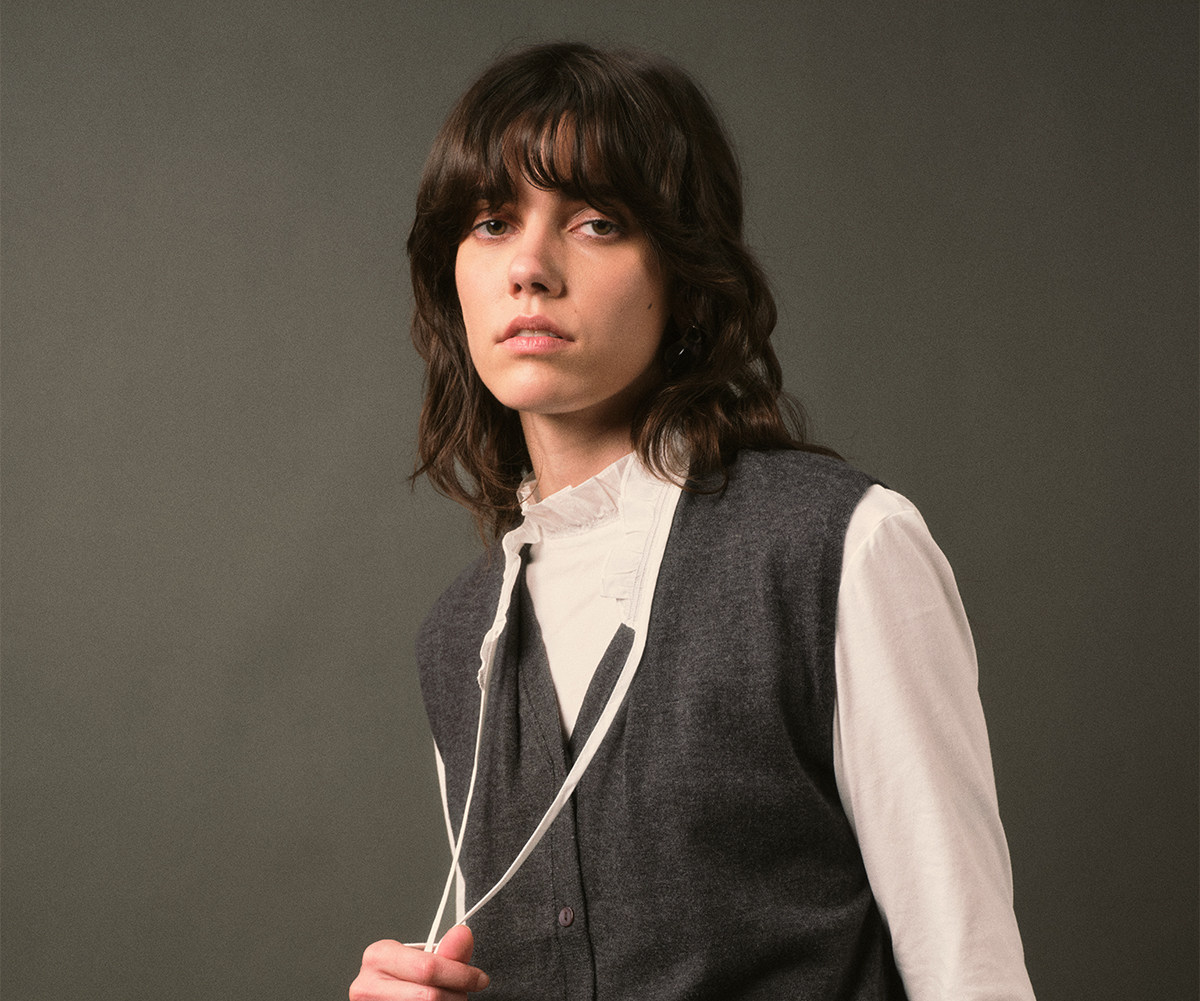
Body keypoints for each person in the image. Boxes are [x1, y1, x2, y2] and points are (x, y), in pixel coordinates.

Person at [351, 42, 1035, 1001]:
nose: (530, 268)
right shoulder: (460, 639)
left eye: (595, 222)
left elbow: (971, 974)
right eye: (493, 221)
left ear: (683, 274)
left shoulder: (837, 547)